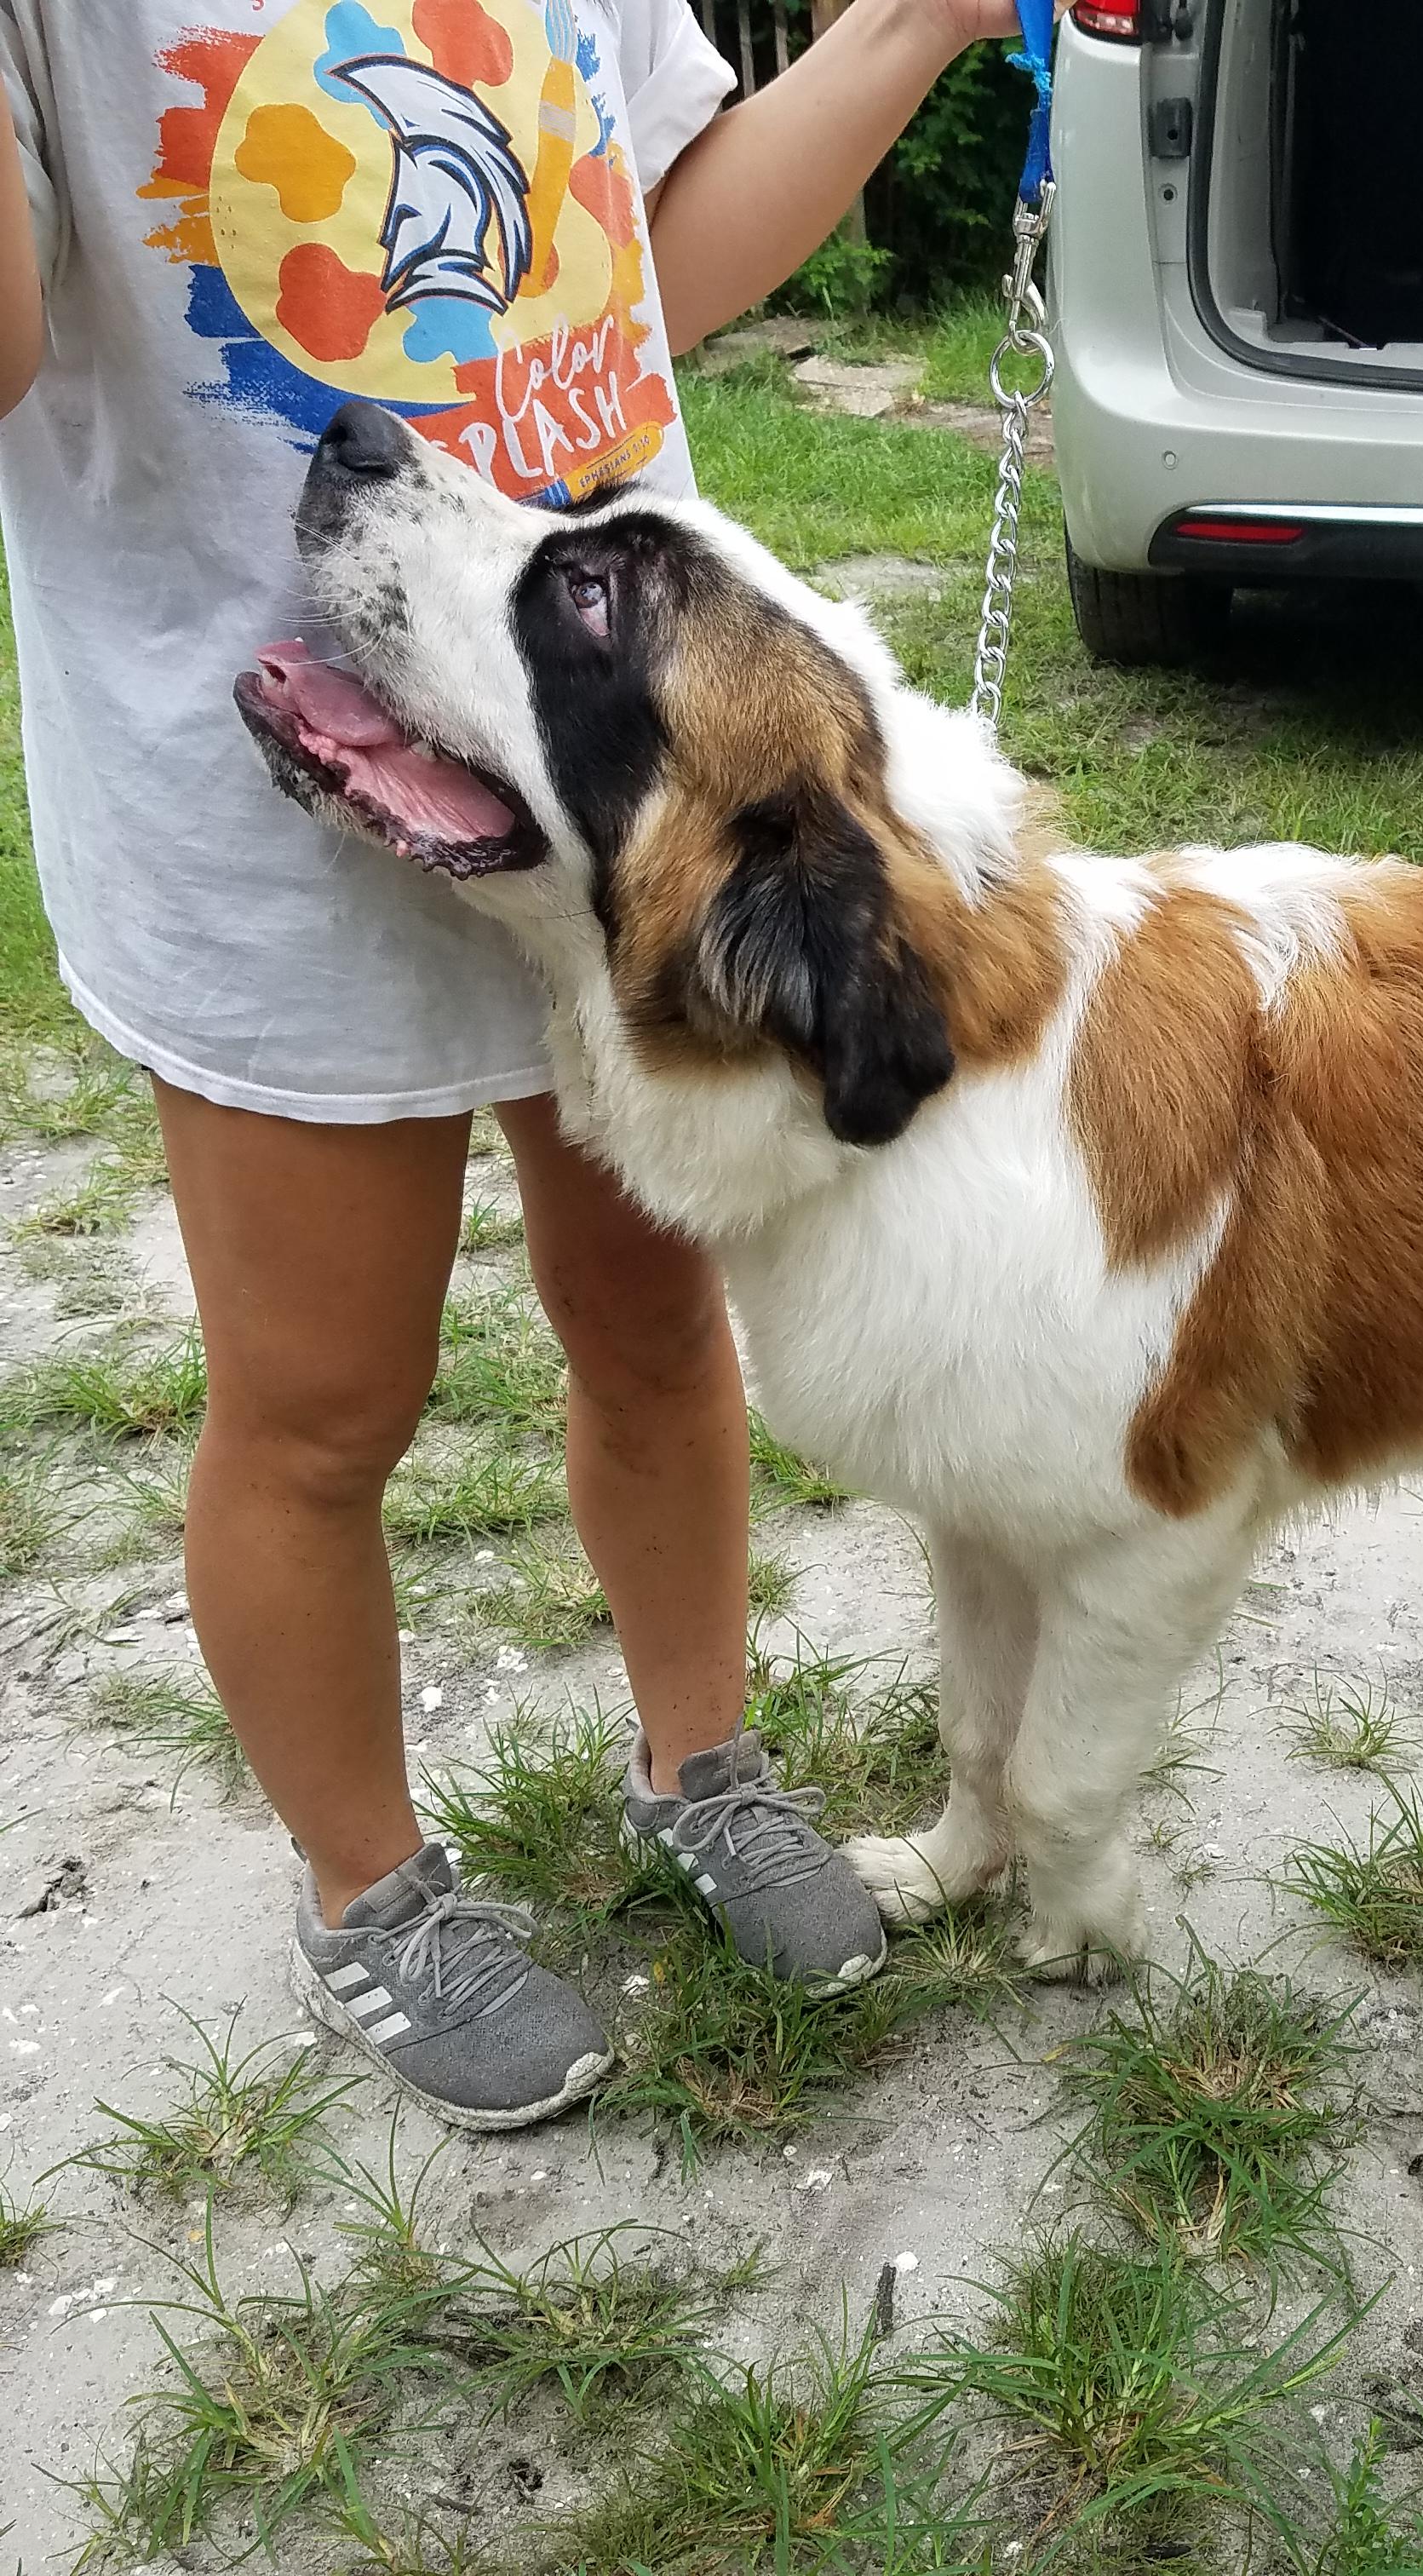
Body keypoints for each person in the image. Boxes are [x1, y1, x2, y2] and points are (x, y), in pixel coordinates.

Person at [0, 0, 1018, 2130]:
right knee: (320, 1408)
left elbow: (657, 254)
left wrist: (916, 24)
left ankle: (701, 1764)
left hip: (601, 786)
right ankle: (368, 1891)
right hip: (274, 790)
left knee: (655, 1333)